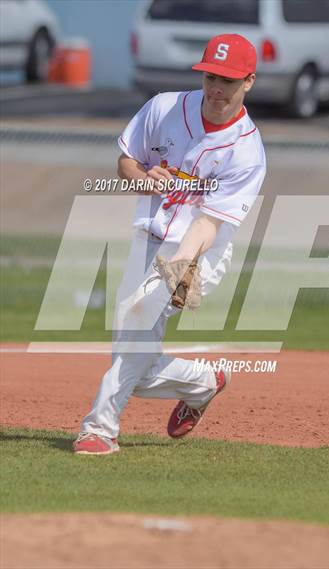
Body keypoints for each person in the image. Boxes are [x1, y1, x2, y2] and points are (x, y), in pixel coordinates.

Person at [73, 34, 266, 455]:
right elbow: (126, 160)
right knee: (134, 359)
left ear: (248, 82)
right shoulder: (164, 108)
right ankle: (205, 383)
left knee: (137, 323)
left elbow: (211, 222)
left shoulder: (247, 152)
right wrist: (143, 178)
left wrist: (180, 264)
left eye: (228, 81)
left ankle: (99, 429)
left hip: (199, 250)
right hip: (149, 237)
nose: (217, 88)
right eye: (211, 76)